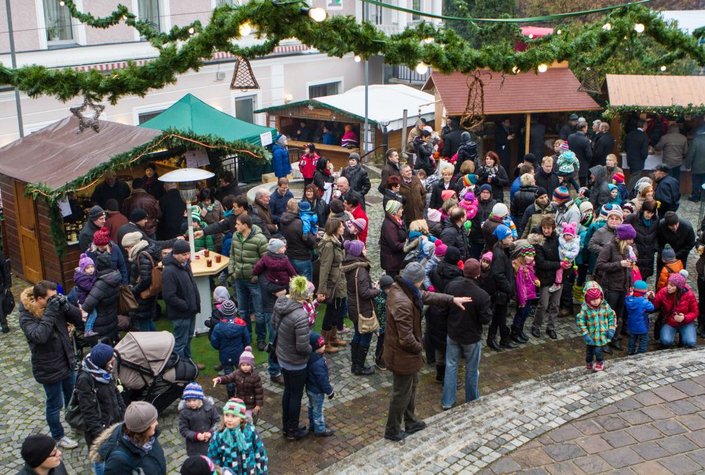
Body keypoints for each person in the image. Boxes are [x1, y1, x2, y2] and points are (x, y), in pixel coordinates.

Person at [383, 262, 471, 442]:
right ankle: (392, 429)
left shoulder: (403, 288)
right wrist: (420, 348)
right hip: (403, 355)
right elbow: (405, 338)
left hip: (405, 354)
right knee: (401, 393)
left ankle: (410, 421)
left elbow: (425, 295)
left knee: (411, 387)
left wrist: (452, 299)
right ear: (418, 280)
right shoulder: (402, 302)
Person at [19, 282, 82, 449]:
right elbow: (40, 336)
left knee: (73, 398)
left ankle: (76, 423)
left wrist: (66, 306)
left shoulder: (53, 306)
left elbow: (79, 319)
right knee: (55, 404)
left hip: (67, 360)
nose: (54, 300)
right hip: (48, 367)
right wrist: (52, 311)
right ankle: (58, 436)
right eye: (50, 298)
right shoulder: (26, 315)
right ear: (40, 299)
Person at [441, 258, 492, 409]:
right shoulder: (482, 295)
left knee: (451, 366)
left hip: (453, 332)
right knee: (471, 369)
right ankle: (471, 400)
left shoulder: (451, 286)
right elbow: (485, 319)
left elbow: (444, 309)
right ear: (477, 274)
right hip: (471, 336)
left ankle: (447, 401)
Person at [75, 343, 125, 474]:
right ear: (103, 363)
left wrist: (124, 414)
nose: (113, 362)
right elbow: (88, 411)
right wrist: (101, 434)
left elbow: (116, 393)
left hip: (115, 422)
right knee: (101, 462)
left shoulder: (104, 372)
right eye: (111, 360)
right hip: (100, 431)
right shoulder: (85, 380)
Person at [273, 276, 313, 440]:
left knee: (288, 392)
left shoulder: (280, 304)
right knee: (295, 395)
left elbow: (274, 325)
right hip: (295, 361)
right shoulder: (300, 315)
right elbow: (302, 347)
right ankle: (292, 430)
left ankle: (286, 427)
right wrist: (312, 349)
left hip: (282, 356)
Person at [595, 223, 637, 352]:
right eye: (630, 239)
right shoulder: (610, 247)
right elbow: (600, 265)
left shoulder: (629, 248)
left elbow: (631, 266)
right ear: (624, 238)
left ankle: (615, 337)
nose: (632, 241)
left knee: (619, 314)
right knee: (608, 315)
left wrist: (630, 285)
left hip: (623, 286)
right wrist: (619, 264)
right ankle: (604, 340)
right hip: (611, 287)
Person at [229, 214, 269, 347]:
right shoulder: (236, 236)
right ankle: (247, 338)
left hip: (254, 281)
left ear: (245, 226)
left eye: (238, 224)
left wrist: (257, 275)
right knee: (243, 311)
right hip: (239, 279)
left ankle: (261, 339)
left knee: (259, 312)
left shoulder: (260, 239)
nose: (235, 226)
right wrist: (232, 271)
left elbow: (265, 261)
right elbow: (232, 255)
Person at [94, 401, 166, 474]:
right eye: (153, 421)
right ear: (143, 429)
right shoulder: (118, 461)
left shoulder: (150, 436)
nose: (156, 423)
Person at [342, 239, 379, 375]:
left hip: (354, 307)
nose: (366, 250)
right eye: (364, 248)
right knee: (365, 335)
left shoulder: (350, 265)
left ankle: (355, 364)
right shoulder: (361, 270)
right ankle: (359, 366)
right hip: (362, 309)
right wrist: (377, 290)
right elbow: (364, 293)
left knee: (358, 333)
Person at [162, 240, 200, 359]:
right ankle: (180, 370)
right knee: (180, 344)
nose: (187, 257)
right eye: (184, 254)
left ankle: (189, 363)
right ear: (175, 254)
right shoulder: (169, 271)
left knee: (188, 339)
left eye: (188, 253)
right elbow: (169, 296)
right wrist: (185, 305)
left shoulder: (185, 264)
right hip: (181, 313)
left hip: (190, 310)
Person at [207, 399, 268, 471]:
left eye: (234, 416)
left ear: (241, 418)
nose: (229, 419)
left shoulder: (250, 431)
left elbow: (260, 453)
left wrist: (262, 471)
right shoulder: (219, 436)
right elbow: (213, 459)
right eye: (227, 415)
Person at [317, 218, 348, 350]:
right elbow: (324, 268)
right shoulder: (329, 245)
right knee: (331, 312)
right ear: (335, 229)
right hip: (333, 283)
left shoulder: (338, 241)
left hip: (340, 281)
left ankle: (333, 337)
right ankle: (324, 342)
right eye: (341, 226)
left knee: (338, 311)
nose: (344, 228)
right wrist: (322, 290)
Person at [529, 216, 561, 340]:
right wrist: (559, 264)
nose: (546, 231)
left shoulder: (558, 239)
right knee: (543, 304)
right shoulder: (539, 241)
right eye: (544, 228)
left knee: (555, 305)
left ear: (553, 228)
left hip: (558, 277)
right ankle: (536, 325)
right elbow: (541, 263)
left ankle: (551, 327)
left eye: (549, 228)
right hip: (545, 277)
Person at [211, 299, 251, 397]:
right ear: (235, 311)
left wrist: (220, 348)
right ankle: (242, 394)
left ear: (222, 312)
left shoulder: (218, 327)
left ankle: (231, 396)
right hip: (239, 355)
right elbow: (247, 340)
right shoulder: (241, 324)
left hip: (225, 355)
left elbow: (214, 342)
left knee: (228, 375)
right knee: (241, 374)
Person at [213, 346, 264, 423]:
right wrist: (219, 379)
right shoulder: (237, 373)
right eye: (243, 365)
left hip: (251, 404)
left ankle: (250, 430)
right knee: (239, 419)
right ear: (240, 365)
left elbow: (259, 392)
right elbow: (228, 378)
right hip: (240, 402)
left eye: (248, 365)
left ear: (252, 365)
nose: (245, 367)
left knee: (248, 421)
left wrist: (258, 405)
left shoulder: (255, 377)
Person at [122, 232, 161, 331]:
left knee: (144, 325)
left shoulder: (142, 255)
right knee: (148, 321)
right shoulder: (147, 251)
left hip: (143, 296)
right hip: (148, 294)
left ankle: (150, 346)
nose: (126, 251)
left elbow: (145, 279)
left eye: (127, 248)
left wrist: (133, 290)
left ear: (132, 245)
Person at [80, 254, 121, 344]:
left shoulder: (100, 285)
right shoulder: (116, 278)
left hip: (100, 325)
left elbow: (87, 306)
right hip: (112, 319)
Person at [576, 281, 617, 372]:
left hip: (602, 335)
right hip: (590, 336)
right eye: (592, 300)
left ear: (601, 297)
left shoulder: (605, 306)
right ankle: (589, 362)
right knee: (589, 352)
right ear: (587, 299)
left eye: (597, 299)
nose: (595, 302)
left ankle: (599, 362)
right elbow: (581, 321)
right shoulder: (585, 309)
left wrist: (611, 329)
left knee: (598, 351)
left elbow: (612, 317)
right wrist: (585, 334)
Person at [652, 270, 698, 348]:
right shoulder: (663, 292)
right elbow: (654, 305)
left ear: (679, 288)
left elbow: (695, 312)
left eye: (672, 286)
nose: (669, 287)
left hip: (686, 322)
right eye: (669, 284)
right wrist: (651, 298)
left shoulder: (689, 295)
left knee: (691, 342)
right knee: (666, 341)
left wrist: (684, 317)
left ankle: (683, 339)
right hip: (670, 321)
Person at [177, 382, 220, 457]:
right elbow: (183, 429)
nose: (191, 403)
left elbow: (217, 422)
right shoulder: (184, 412)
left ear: (200, 398)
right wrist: (195, 436)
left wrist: (210, 433)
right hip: (194, 446)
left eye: (194, 400)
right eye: (188, 401)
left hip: (211, 443)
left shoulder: (210, 408)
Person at [305, 332, 335, 437]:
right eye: (322, 345)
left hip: (310, 388)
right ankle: (320, 429)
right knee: (318, 409)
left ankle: (312, 424)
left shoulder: (310, 358)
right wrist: (330, 391)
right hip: (317, 391)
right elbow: (322, 380)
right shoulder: (318, 363)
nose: (324, 346)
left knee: (311, 407)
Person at [511, 241, 539, 344]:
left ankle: (520, 330)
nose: (531, 258)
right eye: (528, 255)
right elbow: (520, 286)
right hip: (523, 297)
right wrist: (522, 300)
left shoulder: (530, 266)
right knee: (520, 315)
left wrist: (536, 279)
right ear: (522, 256)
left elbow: (532, 277)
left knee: (525, 314)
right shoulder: (521, 269)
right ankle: (515, 333)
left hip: (530, 295)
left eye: (532, 256)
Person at [624, 199, 658, 281]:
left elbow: (657, 235)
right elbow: (622, 232)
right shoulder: (632, 218)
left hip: (648, 256)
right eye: (648, 212)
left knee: (643, 280)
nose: (649, 215)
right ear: (643, 210)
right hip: (634, 254)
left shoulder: (655, 220)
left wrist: (654, 247)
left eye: (652, 213)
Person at [625, 280, 655, 355]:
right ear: (644, 293)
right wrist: (646, 298)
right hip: (642, 326)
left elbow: (629, 297)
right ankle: (641, 353)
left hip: (631, 325)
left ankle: (630, 352)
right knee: (643, 339)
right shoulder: (644, 302)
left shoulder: (628, 299)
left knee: (632, 339)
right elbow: (651, 307)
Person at [73, 253, 98, 337]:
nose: (91, 269)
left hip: (88, 299)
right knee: (92, 314)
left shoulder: (89, 275)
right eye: (88, 268)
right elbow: (89, 287)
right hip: (85, 300)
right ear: (83, 269)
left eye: (92, 267)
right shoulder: (81, 278)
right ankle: (88, 330)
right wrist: (96, 279)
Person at [380, 200, 407, 278]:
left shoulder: (397, 221)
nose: (402, 210)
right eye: (400, 209)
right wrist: (408, 244)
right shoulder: (389, 226)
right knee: (392, 281)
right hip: (391, 261)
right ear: (395, 211)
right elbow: (395, 245)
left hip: (395, 259)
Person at [624, 120, 650, 191]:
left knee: (633, 176)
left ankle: (631, 193)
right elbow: (644, 151)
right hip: (639, 161)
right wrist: (643, 158)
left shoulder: (629, 134)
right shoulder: (644, 136)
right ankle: (628, 193)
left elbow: (625, 147)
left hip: (630, 159)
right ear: (644, 126)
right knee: (634, 178)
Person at [568, 122, 593, 186]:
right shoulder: (585, 140)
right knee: (583, 185)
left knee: (572, 184)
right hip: (583, 166)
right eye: (587, 127)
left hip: (571, 164)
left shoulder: (570, 137)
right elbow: (589, 155)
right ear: (584, 128)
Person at [687, 126, 705, 201]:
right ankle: (703, 197)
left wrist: (688, 165)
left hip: (697, 166)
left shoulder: (695, 140)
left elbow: (691, 154)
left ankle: (695, 197)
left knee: (696, 182)